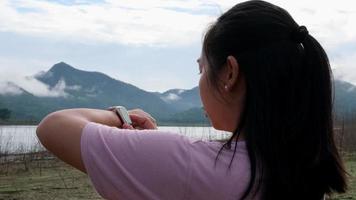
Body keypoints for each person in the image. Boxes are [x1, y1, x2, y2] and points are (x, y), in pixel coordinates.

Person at [36, 0, 347, 199]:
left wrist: (121, 116)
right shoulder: (303, 168)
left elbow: (53, 127)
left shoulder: (188, 162)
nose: (199, 82)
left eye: (202, 68)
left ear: (229, 73)